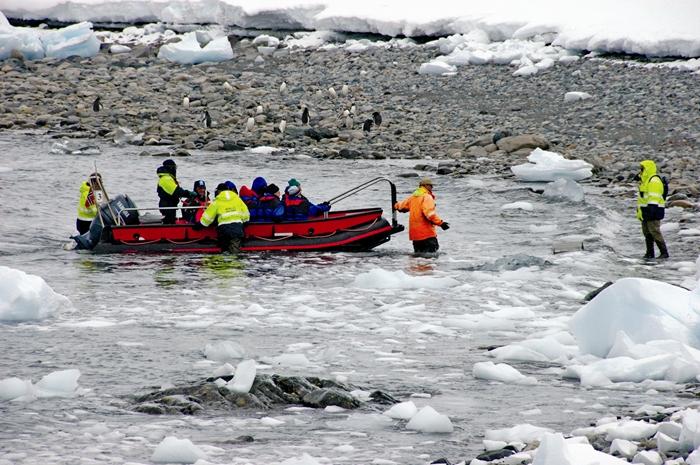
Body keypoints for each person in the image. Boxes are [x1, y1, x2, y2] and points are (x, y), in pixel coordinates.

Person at [394, 177, 449, 254]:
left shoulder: (413, 197)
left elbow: (401, 206)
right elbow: (429, 214)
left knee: (418, 260)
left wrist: (395, 204)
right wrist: (441, 223)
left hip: (415, 236)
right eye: (431, 185)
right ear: (425, 186)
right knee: (431, 260)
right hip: (427, 235)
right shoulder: (427, 197)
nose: (432, 187)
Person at [196, 182, 250, 253]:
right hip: (237, 228)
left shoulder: (217, 201)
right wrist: (245, 222)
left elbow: (207, 218)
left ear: (218, 191)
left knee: (224, 251)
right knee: (235, 252)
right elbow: (246, 214)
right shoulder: (237, 199)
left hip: (224, 230)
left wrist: (199, 225)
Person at [637, 160, 669, 259]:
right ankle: (650, 253)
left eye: (642, 168)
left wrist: (652, 208)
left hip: (653, 209)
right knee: (647, 232)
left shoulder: (654, 180)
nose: (640, 170)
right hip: (646, 210)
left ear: (647, 169)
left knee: (654, 231)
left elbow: (654, 195)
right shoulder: (645, 180)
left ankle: (664, 253)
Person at [156, 159, 194, 224]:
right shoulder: (166, 179)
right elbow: (177, 191)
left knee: (171, 220)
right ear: (171, 168)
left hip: (170, 205)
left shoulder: (167, 178)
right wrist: (189, 193)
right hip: (167, 206)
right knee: (169, 221)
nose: (175, 169)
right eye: (174, 167)